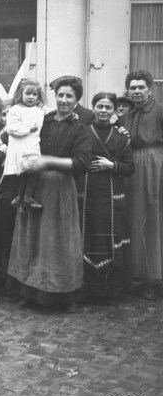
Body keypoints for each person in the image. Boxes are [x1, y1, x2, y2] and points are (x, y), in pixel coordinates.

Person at [8, 76, 92, 313]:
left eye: (69, 96)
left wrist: (46, 161)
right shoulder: (43, 120)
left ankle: (60, 296)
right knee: (31, 237)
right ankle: (28, 290)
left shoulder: (80, 128)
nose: (64, 100)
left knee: (56, 241)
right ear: (55, 97)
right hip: (33, 185)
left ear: (77, 100)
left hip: (60, 190)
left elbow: (81, 162)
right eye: (61, 95)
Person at [79, 93, 134, 300]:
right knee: (87, 235)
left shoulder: (121, 137)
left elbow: (130, 167)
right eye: (100, 106)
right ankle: (86, 289)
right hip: (86, 191)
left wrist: (112, 165)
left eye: (108, 107)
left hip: (111, 194)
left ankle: (108, 291)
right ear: (93, 108)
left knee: (108, 237)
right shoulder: (83, 132)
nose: (103, 111)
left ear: (114, 110)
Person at [122, 70, 163, 300]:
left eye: (141, 87)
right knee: (135, 220)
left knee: (153, 220)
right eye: (133, 88)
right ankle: (136, 275)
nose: (136, 91)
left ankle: (153, 279)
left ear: (150, 89)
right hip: (133, 168)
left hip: (156, 166)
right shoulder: (128, 114)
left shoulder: (159, 110)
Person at [3, 79, 45, 210]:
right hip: (21, 147)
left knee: (29, 172)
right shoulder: (15, 109)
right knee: (32, 169)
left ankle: (20, 197)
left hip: (32, 146)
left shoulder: (38, 110)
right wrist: (28, 130)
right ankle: (26, 197)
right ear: (20, 94)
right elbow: (11, 128)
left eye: (35, 94)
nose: (31, 97)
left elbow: (50, 112)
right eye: (28, 93)